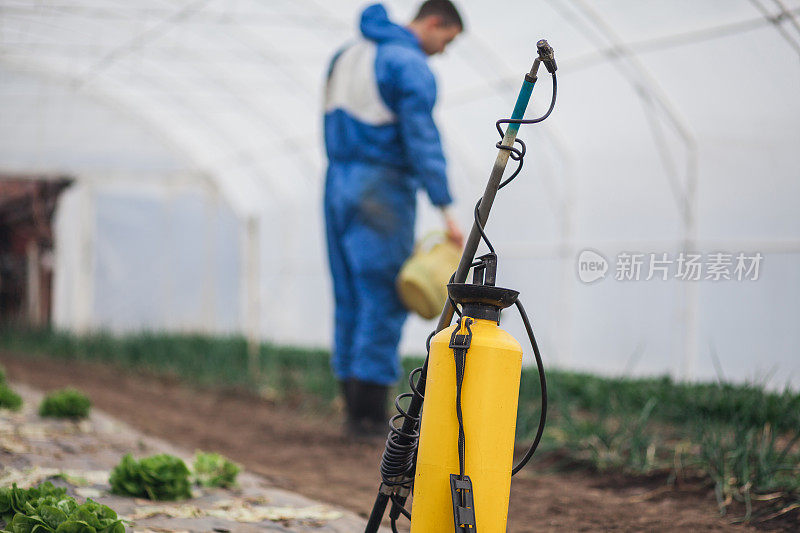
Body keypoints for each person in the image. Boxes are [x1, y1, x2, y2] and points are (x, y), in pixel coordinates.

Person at [323, 1, 464, 436]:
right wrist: (447, 211)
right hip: (380, 189)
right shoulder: (406, 62)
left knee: (348, 294)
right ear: (435, 22)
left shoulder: (346, 55)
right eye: (447, 40)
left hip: (337, 182)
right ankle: (368, 418)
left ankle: (351, 408)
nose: (442, 51)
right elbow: (422, 139)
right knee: (383, 296)